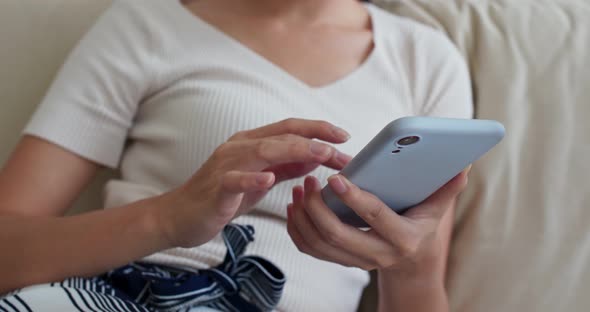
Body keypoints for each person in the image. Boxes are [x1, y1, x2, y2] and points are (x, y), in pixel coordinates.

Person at [0, 0, 473, 310]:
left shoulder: (427, 62)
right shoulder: (148, 23)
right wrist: (171, 217)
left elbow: (418, 284)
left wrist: (408, 265)